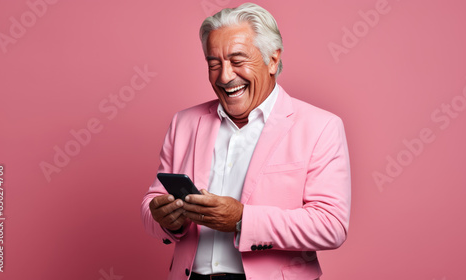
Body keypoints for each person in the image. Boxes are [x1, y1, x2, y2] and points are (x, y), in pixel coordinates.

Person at [141, 3, 351, 280]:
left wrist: (242, 219)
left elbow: (330, 225)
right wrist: (164, 218)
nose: (225, 76)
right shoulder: (184, 123)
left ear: (273, 60)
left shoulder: (321, 126)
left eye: (238, 61)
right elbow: (151, 203)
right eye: (214, 64)